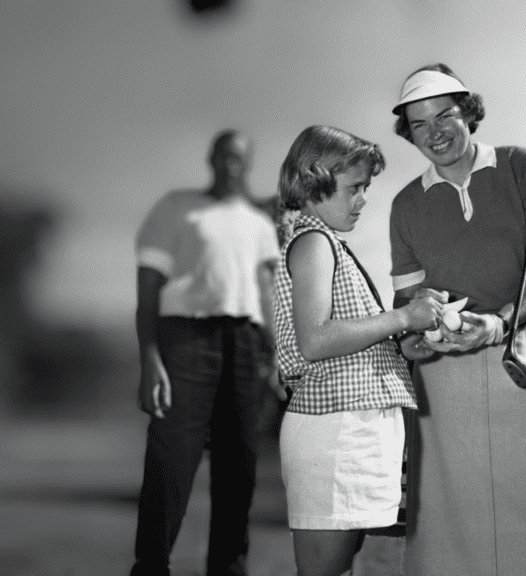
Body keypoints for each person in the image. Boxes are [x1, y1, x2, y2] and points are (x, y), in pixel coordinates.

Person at [388, 63, 526, 576]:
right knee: (451, 522)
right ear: (407, 134)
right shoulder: (405, 205)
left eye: (445, 114)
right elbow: (411, 308)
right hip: (443, 373)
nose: (434, 131)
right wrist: (414, 342)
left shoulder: (520, 167)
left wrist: (499, 323)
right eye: (419, 124)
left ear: (468, 113)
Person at [273, 125, 442, 576]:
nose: (363, 199)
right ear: (315, 181)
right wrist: (404, 317)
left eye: (366, 187)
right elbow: (315, 340)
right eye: (354, 188)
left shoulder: (331, 246)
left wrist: (400, 346)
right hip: (333, 432)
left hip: (354, 431)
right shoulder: (313, 243)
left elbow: (348, 339)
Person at [130, 129, 285, 576]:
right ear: (211, 158)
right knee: (171, 459)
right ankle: (151, 565)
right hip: (186, 339)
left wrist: (273, 352)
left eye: (240, 156)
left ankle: (229, 567)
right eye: (224, 154)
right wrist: (149, 356)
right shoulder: (176, 207)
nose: (231, 163)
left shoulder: (258, 223)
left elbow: (266, 291)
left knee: (240, 466)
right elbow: (148, 288)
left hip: (246, 344)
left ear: (249, 163)